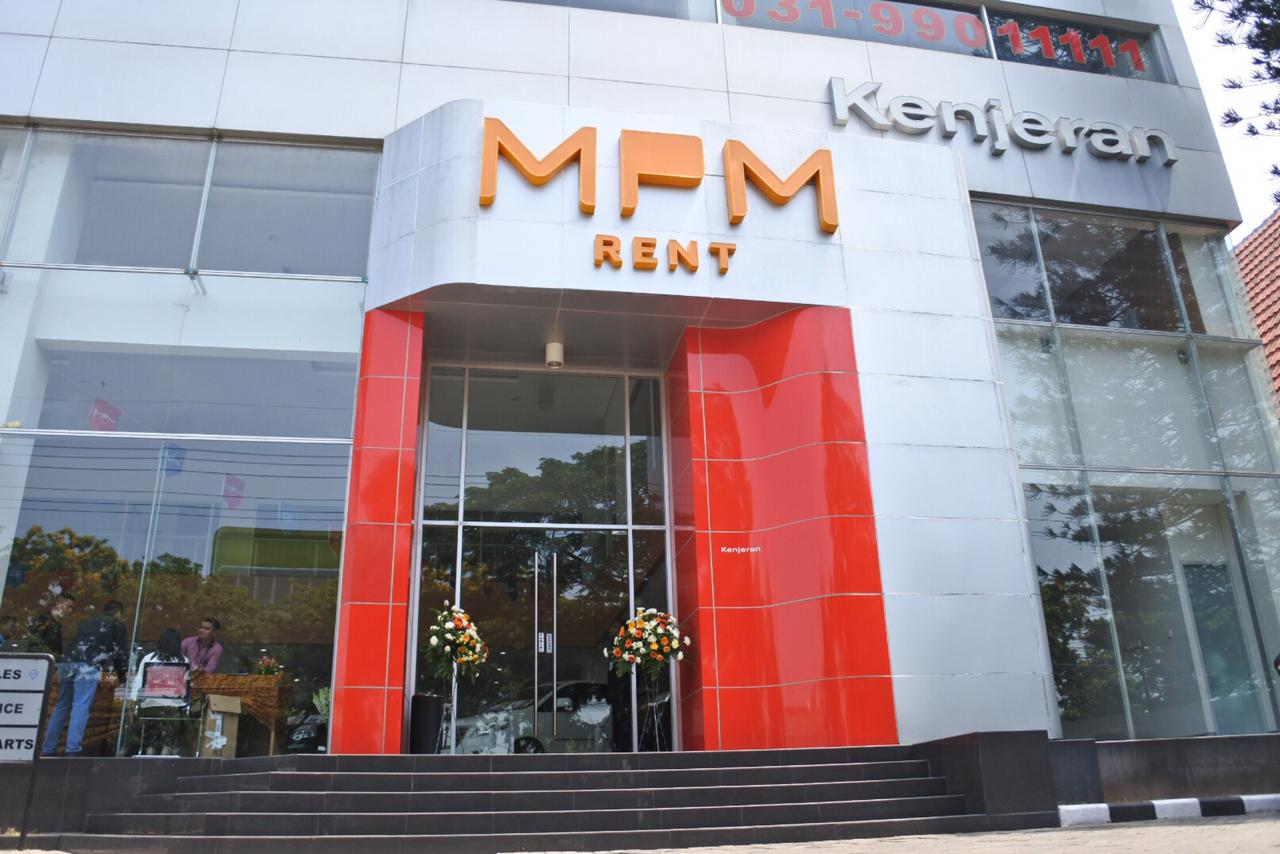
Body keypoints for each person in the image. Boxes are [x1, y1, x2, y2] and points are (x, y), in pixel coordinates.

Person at [42, 600, 127, 756]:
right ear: (118, 612)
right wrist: (122, 675)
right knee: (80, 706)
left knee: (61, 706)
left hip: (67, 662)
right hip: (88, 665)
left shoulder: (87, 621)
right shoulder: (116, 624)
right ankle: (72, 750)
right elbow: (119, 651)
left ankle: (48, 749)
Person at [127, 629, 192, 756]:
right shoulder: (184, 661)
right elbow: (185, 689)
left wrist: (133, 703)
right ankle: (167, 749)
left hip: (149, 706)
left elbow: (138, 682)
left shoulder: (148, 658)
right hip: (173, 708)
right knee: (174, 720)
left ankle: (150, 749)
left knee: (151, 723)